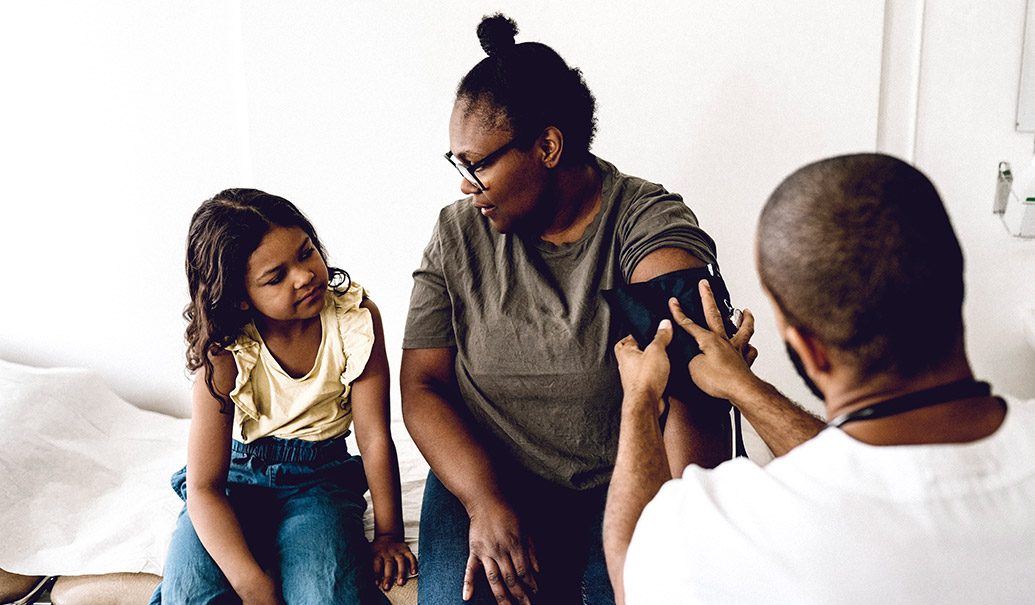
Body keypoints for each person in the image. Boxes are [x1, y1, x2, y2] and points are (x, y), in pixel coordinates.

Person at [401, 13, 733, 605]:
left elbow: (693, 389)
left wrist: (679, 535)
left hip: (618, 477)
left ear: (547, 147)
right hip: (487, 473)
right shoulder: (458, 234)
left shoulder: (646, 225)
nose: (465, 184)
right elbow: (422, 386)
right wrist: (483, 502)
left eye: (477, 164)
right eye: (458, 163)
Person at [604, 153, 1035, 604]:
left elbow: (630, 571)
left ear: (807, 348)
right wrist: (743, 387)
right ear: (957, 287)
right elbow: (871, 472)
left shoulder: (742, 529)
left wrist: (640, 399)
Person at [151, 189, 415, 605]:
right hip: (234, 481)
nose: (305, 275)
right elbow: (204, 487)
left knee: (328, 595)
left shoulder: (354, 319)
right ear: (239, 298)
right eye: (276, 277)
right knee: (190, 594)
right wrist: (254, 586)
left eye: (306, 253)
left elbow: (374, 437)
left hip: (320, 481)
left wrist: (388, 533)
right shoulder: (224, 350)